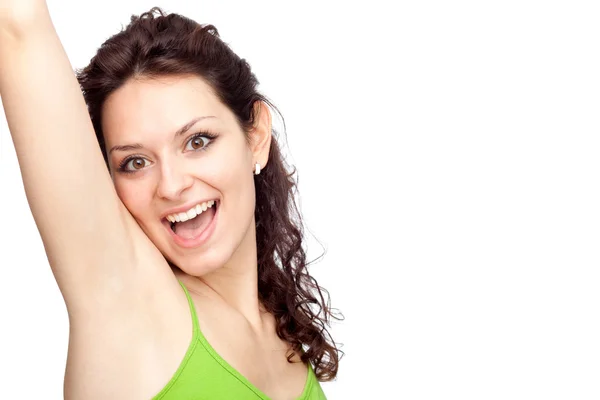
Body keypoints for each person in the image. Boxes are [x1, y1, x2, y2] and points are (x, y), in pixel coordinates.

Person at [0, 2, 341, 399]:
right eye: (135, 162)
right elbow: (18, 29)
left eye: (197, 141)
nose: (172, 185)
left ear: (256, 136)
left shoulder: (285, 334)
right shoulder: (129, 307)